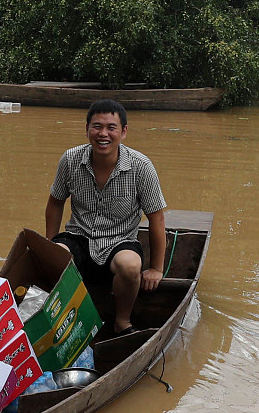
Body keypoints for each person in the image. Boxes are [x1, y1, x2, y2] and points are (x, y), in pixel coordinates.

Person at [45, 100, 168, 335]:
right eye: (97, 126)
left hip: (120, 240)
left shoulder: (141, 167)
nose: (103, 134)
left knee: (131, 266)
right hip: (78, 236)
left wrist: (156, 269)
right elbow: (55, 203)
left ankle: (122, 322)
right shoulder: (70, 160)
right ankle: (65, 322)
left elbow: (156, 219)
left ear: (123, 132)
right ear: (87, 129)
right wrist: (50, 245)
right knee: (56, 256)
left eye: (111, 128)